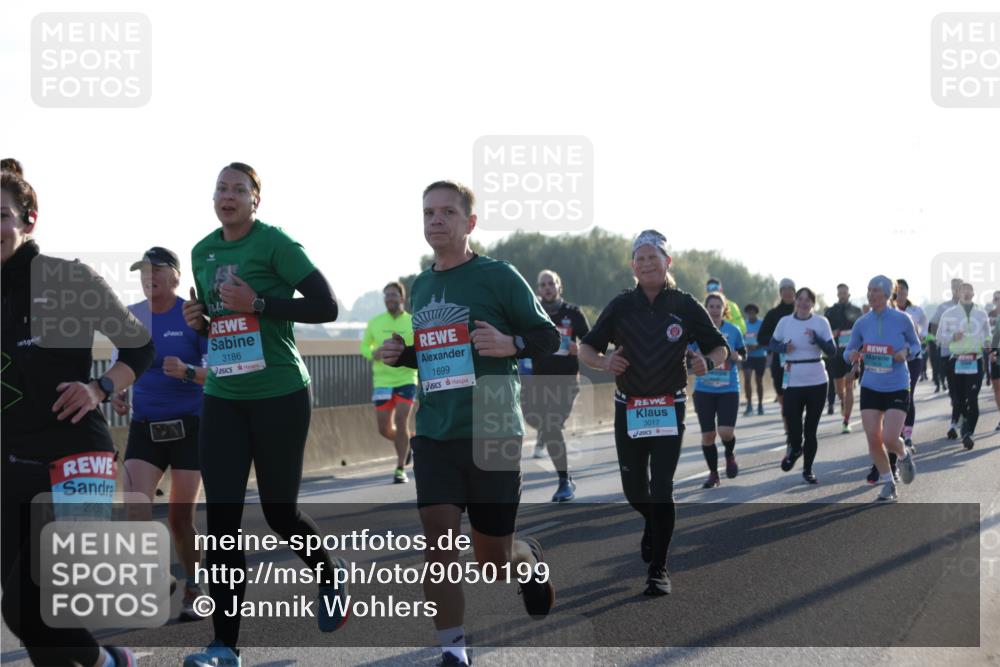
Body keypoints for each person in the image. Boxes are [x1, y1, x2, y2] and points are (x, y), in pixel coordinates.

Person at [379, 181, 559, 667]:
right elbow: (443, 355)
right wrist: (405, 354)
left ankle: (527, 560)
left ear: (470, 223)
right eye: (428, 213)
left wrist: (511, 345)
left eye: (447, 213)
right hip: (436, 430)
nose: (435, 221)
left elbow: (547, 336)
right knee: (438, 542)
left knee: (492, 563)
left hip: (495, 425)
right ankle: (454, 650)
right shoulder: (421, 284)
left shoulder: (499, 276)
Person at [183, 163, 347, 667]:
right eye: (221, 188)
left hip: (279, 394)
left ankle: (328, 569)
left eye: (239, 190)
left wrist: (259, 300)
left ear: (257, 200)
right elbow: (223, 323)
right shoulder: (202, 252)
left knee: (279, 512)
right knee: (223, 522)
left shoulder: (276, 244)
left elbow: (327, 307)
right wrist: (202, 320)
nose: (228, 196)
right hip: (225, 396)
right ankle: (224, 646)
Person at [2, 159, 155, 666]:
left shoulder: (67, 278)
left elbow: (139, 347)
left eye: (2, 215)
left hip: (75, 461)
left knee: (36, 603)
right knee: (29, 618)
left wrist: (99, 388)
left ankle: (110, 662)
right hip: (11, 462)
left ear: (29, 220)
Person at [580, 230, 728, 596]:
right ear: (633, 265)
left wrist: (704, 362)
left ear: (667, 263)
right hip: (628, 406)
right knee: (634, 490)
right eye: (641, 258)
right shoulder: (621, 304)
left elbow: (719, 348)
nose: (647, 264)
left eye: (654, 257)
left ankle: (659, 569)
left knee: (662, 488)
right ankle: (653, 523)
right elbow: (586, 348)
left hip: (668, 406)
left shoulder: (684, 303)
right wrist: (603, 361)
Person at [113, 246, 209, 622]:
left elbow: (216, 371)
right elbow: (122, 363)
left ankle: (193, 586)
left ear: (175, 277)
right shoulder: (132, 316)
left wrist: (187, 371)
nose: (148, 276)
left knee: (179, 519)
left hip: (189, 426)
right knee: (135, 509)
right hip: (145, 427)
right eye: (143, 271)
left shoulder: (193, 315)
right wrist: (118, 392)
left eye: (156, 270)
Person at [844, 276, 920, 502]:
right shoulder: (862, 322)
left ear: (887, 295)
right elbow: (848, 349)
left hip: (897, 384)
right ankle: (888, 482)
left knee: (889, 437)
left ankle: (903, 455)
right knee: (873, 437)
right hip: (871, 385)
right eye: (869, 291)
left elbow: (916, 345)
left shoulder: (902, 319)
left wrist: (905, 353)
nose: (871, 295)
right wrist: (853, 355)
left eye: (876, 290)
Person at [523, 269, 590, 502]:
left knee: (552, 425)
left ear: (559, 286)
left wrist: (579, 349)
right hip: (539, 381)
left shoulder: (573, 312)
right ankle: (544, 435)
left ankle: (564, 480)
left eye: (551, 283)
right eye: (543, 284)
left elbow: (592, 342)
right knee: (537, 419)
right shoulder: (532, 313)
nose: (547, 287)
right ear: (538, 289)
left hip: (567, 380)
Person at [769, 288, 836, 484]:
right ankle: (795, 448)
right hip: (793, 378)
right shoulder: (785, 322)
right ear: (795, 301)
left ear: (813, 304)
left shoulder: (821, 323)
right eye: (800, 299)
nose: (803, 303)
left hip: (816, 379)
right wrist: (783, 347)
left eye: (808, 300)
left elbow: (832, 351)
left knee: (811, 429)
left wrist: (817, 339)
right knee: (793, 421)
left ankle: (808, 469)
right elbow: (771, 344)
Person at [360, 281, 417, 483]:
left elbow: (418, 347)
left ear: (402, 298)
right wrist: (372, 353)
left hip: (406, 378)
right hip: (382, 382)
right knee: (384, 429)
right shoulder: (375, 322)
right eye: (387, 295)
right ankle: (409, 444)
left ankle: (400, 468)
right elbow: (364, 347)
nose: (390, 298)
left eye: (393, 295)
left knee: (401, 421)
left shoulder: (412, 321)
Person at [690, 292, 744, 489]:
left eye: (717, 306)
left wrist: (737, 357)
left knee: (725, 432)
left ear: (724, 309)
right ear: (705, 309)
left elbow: (743, 353)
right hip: (704, 389)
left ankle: (729, 455)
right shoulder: (698, 331)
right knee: (708, 435)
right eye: (710, 306)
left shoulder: (734, 330)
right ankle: (713, 474)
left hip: (728, 388)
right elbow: (688, 353)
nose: (714, 310)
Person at [936, 282, 991, 450]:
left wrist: (990, 347)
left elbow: (988, 335)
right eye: (962, 291)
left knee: (972, 398)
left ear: (974, 293)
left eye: (969, 290)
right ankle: (963, 426)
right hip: (957, 361)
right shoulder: (949, 313)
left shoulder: (981, 314)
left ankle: (968, 433)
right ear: (957, 294)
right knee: (959, 399)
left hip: (975, 360)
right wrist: (952, 337)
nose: (966, 293)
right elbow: (939, 337)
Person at [892, 279, 928, 450]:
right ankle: (896, 434)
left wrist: (922, 336)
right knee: (894, 396)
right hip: (894, 359)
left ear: (907, 292)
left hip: (913, 358)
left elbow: (925, 325)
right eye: (897, 291)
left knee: (908, 394)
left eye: (903, 291)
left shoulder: (915, 310)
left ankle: (907, 436)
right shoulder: (889, 311)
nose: (901, 294)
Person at [757, 278, 796, 428]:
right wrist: (779, 343)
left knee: (798, 398)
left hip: (801, 364)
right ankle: (788, 429)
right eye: (784, 289)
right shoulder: (773, 314)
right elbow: (761, 338)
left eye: (790, 288)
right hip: (780, 364)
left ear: (794, 291)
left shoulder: (802, 312)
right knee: (783, 398)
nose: (787, 292)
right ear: (780, 293)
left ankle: (795, 427)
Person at [824, 283, 862, 432]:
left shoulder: (856, 311)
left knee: (849, 384)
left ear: (849, 294)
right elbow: (824, 332)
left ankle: (846, 421)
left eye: (844, 293)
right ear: (837, 294)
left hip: (852, 353)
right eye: (840, 293)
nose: (842, 295)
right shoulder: (830, 312)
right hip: (836, 354)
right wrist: (832, 333)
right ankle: (842, 401)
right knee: (840, 389)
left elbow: (862, 331)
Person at [930, 278, 962, 430]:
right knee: (953, 390)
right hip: (947, 354)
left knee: (963, 391)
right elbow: (933, 324)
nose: (956, 289)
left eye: (959, 287)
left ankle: (955, 423)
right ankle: (958, 414)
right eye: (954, 287)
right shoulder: (943, 307)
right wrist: (941, 339)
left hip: (965, 355)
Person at [742, 303, 767, 415]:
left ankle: (760, 405)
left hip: (760, 355)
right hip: (747, 356)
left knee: (758, 380)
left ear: (756, 313)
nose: (750, 315)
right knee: (747, 378)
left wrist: (757, 346)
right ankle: (749, 404)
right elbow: (740, 338)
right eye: (749, 313)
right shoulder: (743, 324)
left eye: (753, 312)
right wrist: (745, 347)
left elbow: (765, 338)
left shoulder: (762, 324)